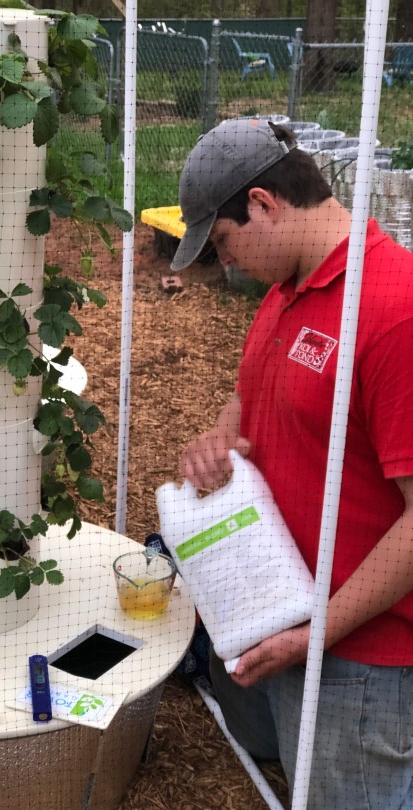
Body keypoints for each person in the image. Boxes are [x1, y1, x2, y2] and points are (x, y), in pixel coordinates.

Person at [172, 118, 413, 809]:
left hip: (358, 662)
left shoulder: (393, 309)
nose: (228, 265)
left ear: (263, 203)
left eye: (223, 242)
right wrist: (218, 437)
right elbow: (250, 390)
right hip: (282, 617)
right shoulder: (289, 289)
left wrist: (314, 636)